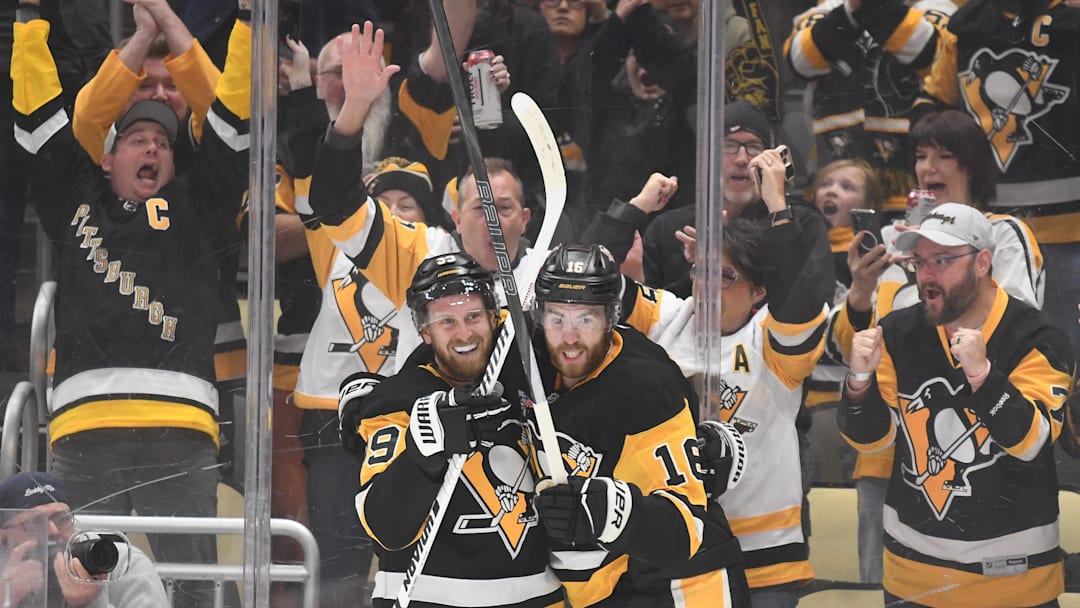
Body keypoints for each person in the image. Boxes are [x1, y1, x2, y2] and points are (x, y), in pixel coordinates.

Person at [13, 8, 249, 607]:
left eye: (164, 141)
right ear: (105, 157)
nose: (151, 148)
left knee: (193, 587)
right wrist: (30, 21)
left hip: (182, 427)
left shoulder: (200, 201)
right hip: (84, 429)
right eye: (136, 139)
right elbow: (40, 116)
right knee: (82, 586)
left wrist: (223, 22)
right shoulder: (74, 194)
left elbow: (233, 116)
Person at [828, 108, 1045, 584]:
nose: (929, 168)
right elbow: (846, 351)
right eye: (921, 156)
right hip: (887, 442)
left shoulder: (1003, 235)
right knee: (885, 581)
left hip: (978, 447)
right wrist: (861, 294)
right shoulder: (891, 241)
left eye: (946, 155)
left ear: (974, 166)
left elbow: (1014, 335)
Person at [838, 203, 1074, 607]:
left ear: (983, 263)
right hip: (912, 581)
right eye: (920, 261)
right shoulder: (897, 330)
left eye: (943, 260)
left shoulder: (1037, 336)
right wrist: (859, 382)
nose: (927, 274)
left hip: (1017, 584)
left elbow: (1032, 442)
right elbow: (873, 442)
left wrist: (983, 377)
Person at [532, 243, 750, 607]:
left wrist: (613, 511)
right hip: (605, 587)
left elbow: (685, 529)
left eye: (586, 319)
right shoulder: (531, 361)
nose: (569, 337)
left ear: (611, 317)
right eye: (557, 318)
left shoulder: (647, 388)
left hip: (684, 586)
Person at [347, 252, 563, 607]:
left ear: (494, 317)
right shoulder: (398, 401)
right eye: (446, 321)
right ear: (425, 332)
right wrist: (423, 455)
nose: (464, 333)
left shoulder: (531, 369)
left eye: (474, 316)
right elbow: (384, 527)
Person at [913, 0, 1080, 399]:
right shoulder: (965, 26)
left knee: (1057, 364)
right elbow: (930, 111)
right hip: (981, 230)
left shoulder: (1073, 21)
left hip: (1068, 233)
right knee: (995, 356)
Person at [785, 0, 956, 217]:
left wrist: (873, 6)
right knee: (844, 246)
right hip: (839, 178)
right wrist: (849, 12)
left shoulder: (936, 8)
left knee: (911, 243)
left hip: (912, 180)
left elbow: (931, 55)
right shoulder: (826, 10)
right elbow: (800, 62)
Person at [0, 472, 169, 608]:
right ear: (3, 536)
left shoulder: (119, 562)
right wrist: (7, 598)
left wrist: (93, 603)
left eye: (62, 518)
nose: (53, 530)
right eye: (35, 523)